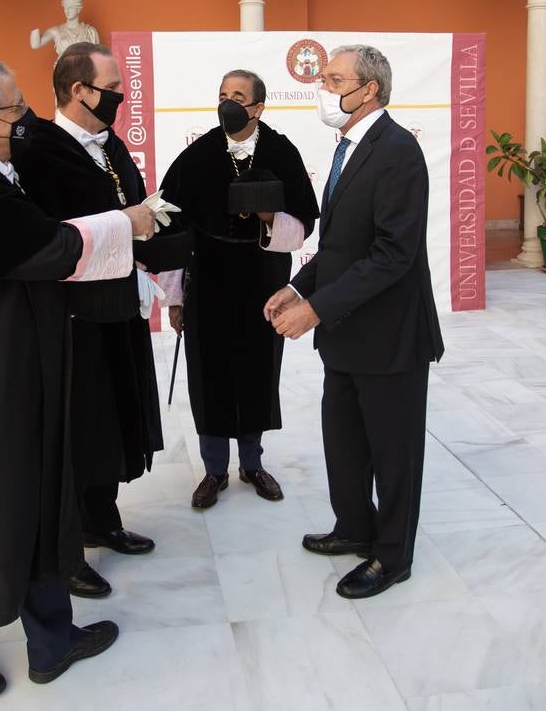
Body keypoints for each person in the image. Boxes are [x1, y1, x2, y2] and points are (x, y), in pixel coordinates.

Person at [0, 58, 156, 698]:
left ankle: (53, 638)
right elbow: (45, 249)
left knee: (42, 492)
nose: (28, 124)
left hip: (23, 369)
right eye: (17, 112)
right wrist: (129, 223)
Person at [264, 44, 444, 600]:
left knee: (393, 454)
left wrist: (314, 310)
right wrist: (296, 287)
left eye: (335, 79)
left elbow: (393, 253)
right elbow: (343, 247)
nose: (325, 88)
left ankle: (392, 556)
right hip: (345, 334)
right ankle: (354, 528)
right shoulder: (347, 148)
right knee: (344, 443)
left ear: (369, 89)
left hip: (390, 338)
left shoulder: (397, 151)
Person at [13, 41, 190, 600]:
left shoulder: (110, 145)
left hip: (117, 306)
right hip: (73, 313)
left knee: (111, 416)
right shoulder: (40, 149)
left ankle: (100, 518)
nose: (121, 96)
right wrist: (126, 221)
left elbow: (130, 207)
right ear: (78, 90)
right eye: (113, 87)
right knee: (76, 426)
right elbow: (55, 231)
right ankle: (66, 550)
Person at [157, 69, 318, 509]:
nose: (228, 102)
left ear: (258, 107)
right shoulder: (197, 156)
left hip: (262, 281)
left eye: (239, 96)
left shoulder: (282, 152)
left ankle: (251, 463)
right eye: (223, 94)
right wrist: (174, 298)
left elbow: (304, 223)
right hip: (206, 280)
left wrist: (269, 217)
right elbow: (172, 228)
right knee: (208, 375)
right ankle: (213, 471)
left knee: (256, 370)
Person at [29, 0, 100, 58]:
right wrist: (33, 20)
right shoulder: (56, 31)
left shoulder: (90, 31)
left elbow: (98, 58)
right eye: (65, 8)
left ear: (78, 9)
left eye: (71, 7)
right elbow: (35, 45)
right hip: (64, 69)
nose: (67, 11)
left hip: (85, 69)